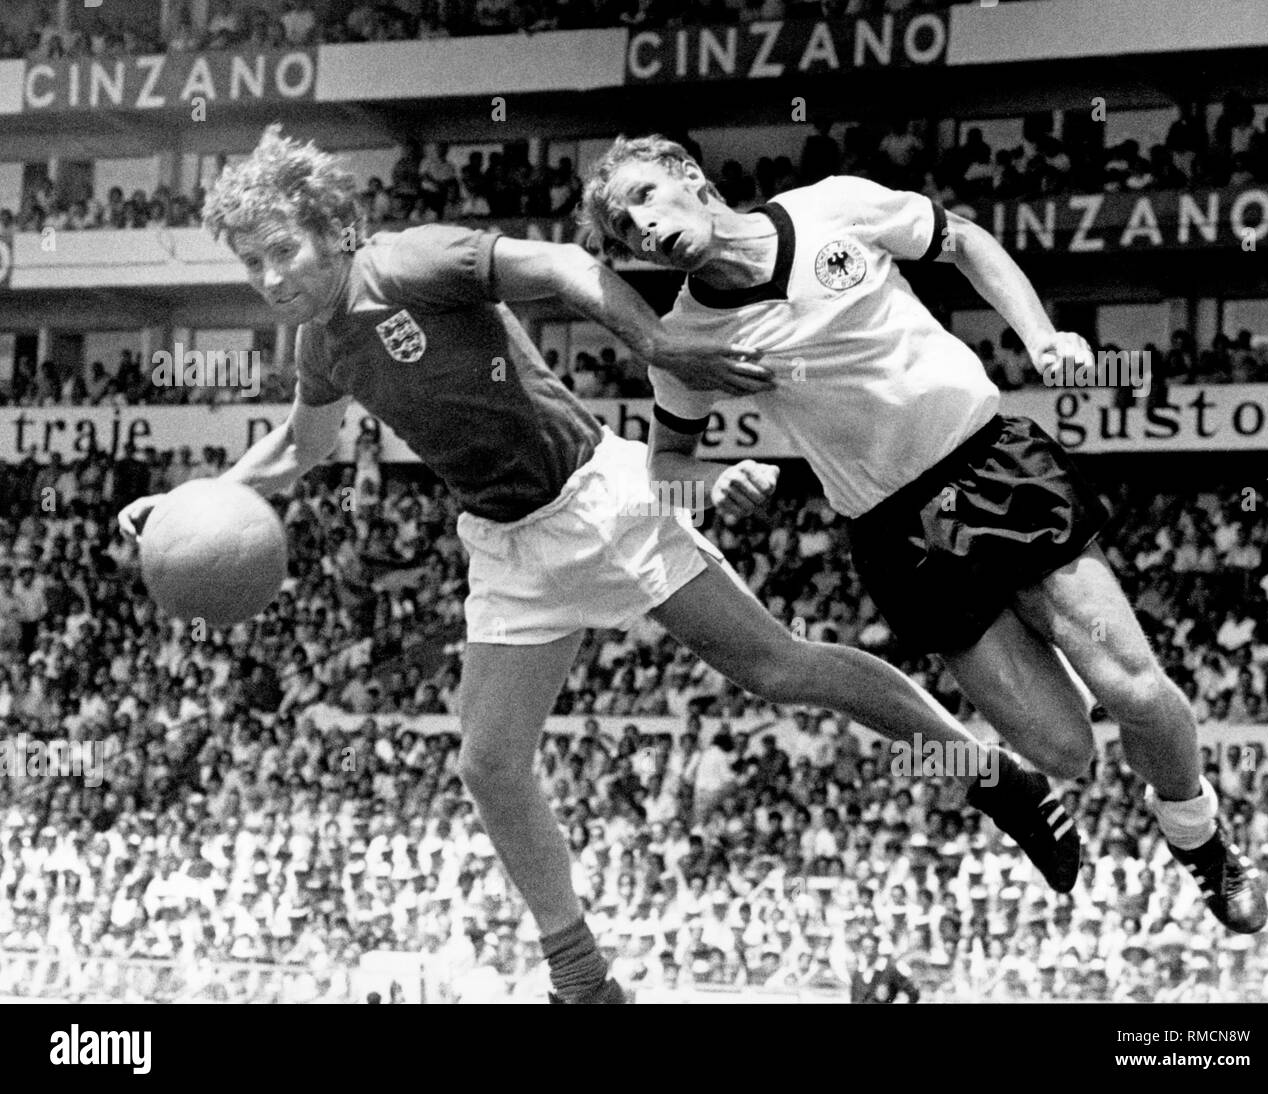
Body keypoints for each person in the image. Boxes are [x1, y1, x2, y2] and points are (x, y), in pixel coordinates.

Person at [119, 126, 1076, 1005]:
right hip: (505, 543)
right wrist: (194, 499)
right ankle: (581, 979)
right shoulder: (319, 343)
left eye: (281, 251)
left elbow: (572, 265)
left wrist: (660, 341)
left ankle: (991, 775)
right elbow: (300, 446)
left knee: (780, 670)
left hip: (601, 499)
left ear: (332, 229)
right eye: (251, 265)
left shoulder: (410, 262)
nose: (269, 277)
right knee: (490, 763)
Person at [579, 133, 1267, 934]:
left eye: (644, 199)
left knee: (1135, 691)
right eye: (625, 234)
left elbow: (965, 240)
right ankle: (1012, 778)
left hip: (993, 469)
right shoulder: (687, 340)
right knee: (1065, 753)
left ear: (690, 179)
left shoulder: (833, 206)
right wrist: (715, 480)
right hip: (897, 535)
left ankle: (1203, 841)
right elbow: (667, 467)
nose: (643, 230)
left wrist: (1042, 337)